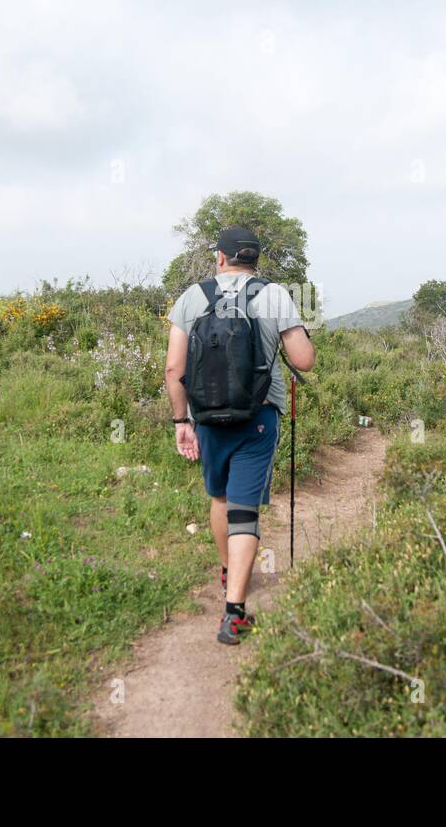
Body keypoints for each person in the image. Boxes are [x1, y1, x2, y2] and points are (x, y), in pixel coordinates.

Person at [164, 226, 315, 644]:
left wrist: (182, 422)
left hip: (208, 416)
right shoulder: (275, 295)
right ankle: (234, 613)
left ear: (220, 257)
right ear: (255, 259)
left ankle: (230, 572)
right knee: (244, 509)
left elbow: (174, 370)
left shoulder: (192, 297)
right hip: (259, 416)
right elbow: (304, 359)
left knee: (220, 498)